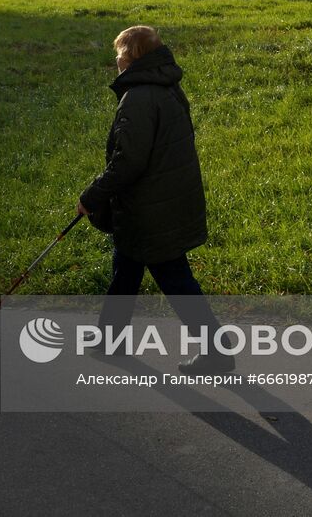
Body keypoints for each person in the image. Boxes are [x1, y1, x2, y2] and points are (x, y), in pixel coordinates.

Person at [78, 25, 233, 374]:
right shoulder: (167, 87)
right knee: (126, 269)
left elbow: (128, 161)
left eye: (119, 53)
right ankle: (109, 341)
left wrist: (93, 195)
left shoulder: (139, 97)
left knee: (175, 279)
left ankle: (217, 352)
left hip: (150, 210)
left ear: (132, 57)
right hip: (161, 202)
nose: (115, 59)